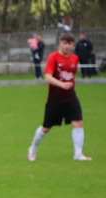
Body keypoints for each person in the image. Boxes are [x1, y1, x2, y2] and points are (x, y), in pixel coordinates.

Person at [27, 32, 92, 162]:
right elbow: (47, 77)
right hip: (54, 99)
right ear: (60, 44)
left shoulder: (74, 58)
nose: (67, 46)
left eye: (69, 44)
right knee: (46, 128)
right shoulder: (53, 57)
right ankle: (33, 147)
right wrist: (61, 84)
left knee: (78, 122)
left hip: (71, 97)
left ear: (73, 45)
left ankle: (78, 154)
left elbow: (71, 77)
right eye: (64, 43)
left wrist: (68, 85)